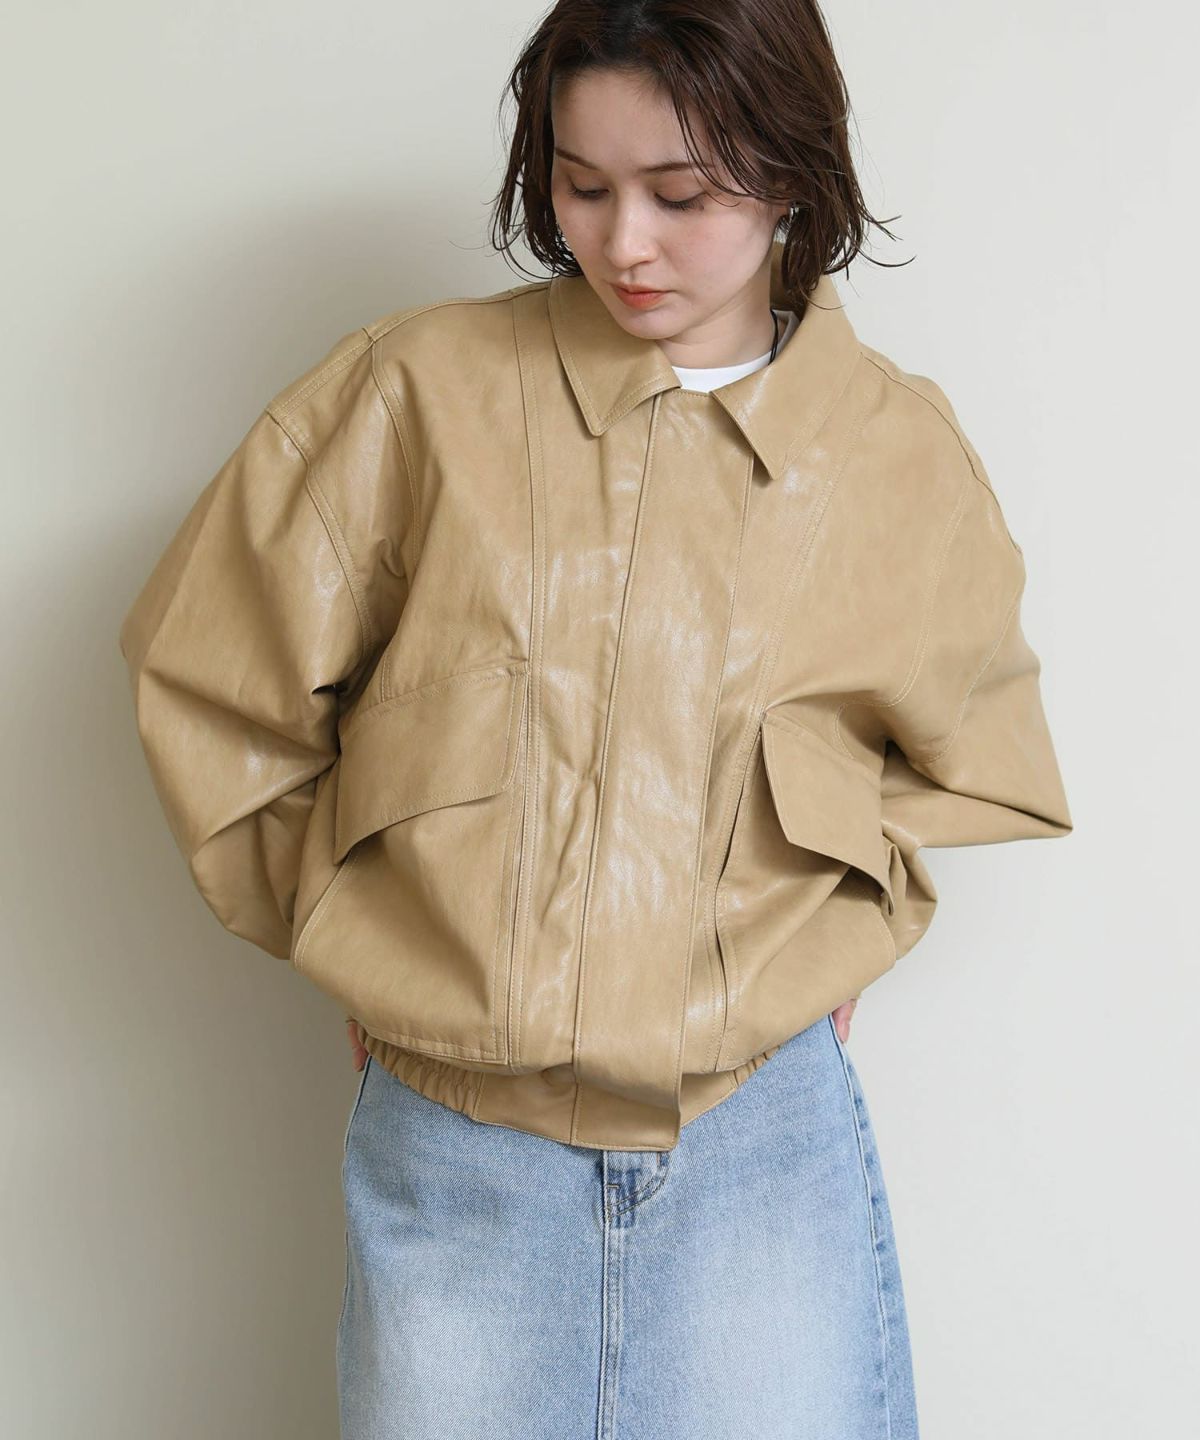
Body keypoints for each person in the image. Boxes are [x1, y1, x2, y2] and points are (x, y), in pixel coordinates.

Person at [117, 1, 1073, 1435]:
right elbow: (215, 685)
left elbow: (966, 748)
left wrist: (835, 919)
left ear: (793, 173)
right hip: (457, 1146)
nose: (625, 243)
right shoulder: (416, 396)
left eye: (682, 196)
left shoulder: (894, 450)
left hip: (759, 1146)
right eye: (582, 185)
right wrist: (354, 936)